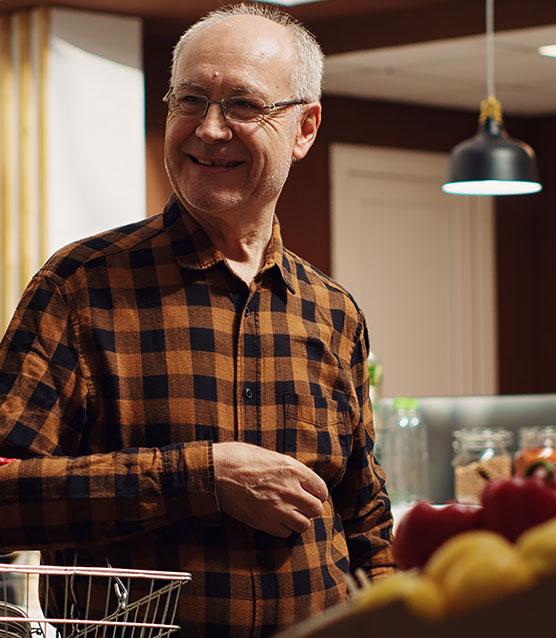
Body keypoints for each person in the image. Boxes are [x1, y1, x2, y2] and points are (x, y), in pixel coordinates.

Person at [0, 2, 395, 636]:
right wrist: (203, 475)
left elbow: (365, 519)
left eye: (243, 105)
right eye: (189, 101)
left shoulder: (333, 312)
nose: (209, 129)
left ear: (304, 128)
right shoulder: (81, 285)